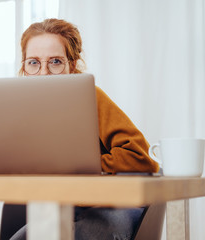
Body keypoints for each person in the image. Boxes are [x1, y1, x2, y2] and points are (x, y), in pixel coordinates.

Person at [9, 18, 159, 240]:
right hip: (62, 207)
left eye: (55, 62)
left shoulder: (90, 96)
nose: (43, 73)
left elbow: (141, 157)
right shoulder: (23, 111)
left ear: (72, 64)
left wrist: (80, 166)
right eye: (33, 63)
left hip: (110, 205)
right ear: (24, 66)